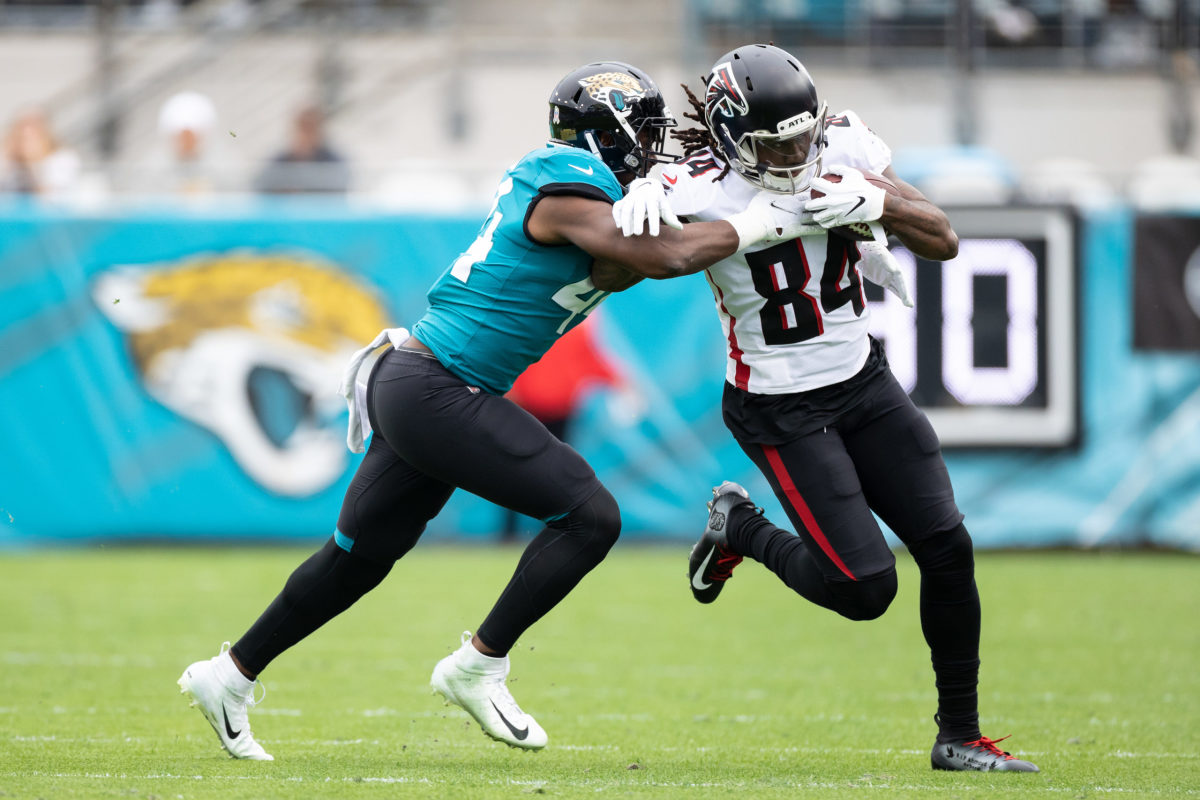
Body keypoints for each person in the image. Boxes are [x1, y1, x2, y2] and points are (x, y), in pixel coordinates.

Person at [176, 60, 815, 760]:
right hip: (439, 388)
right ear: (614, 132)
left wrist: (686, 202)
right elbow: (660, 258)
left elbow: (612, 269)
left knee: (355, 560)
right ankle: (478, 664)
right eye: (648, 131)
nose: (653, 145)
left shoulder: (576, 189)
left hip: (420, 383)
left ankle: (228, 675)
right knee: (591, 516)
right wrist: (763, 218)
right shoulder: (567, 187)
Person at [605, 43, 1040, 773]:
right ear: (730, 137)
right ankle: (739, 526)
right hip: (779, 404)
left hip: (863, 380)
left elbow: (945, 238)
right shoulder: (696, 185)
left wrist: (881, 201)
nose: (797, 155)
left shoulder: (843, 141)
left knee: (948, 547)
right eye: (776, 145)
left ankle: (959, 735)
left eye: (802, 137)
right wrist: (633, 206)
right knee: (865, 590)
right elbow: (619, 270)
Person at [500, 313, 642, 542]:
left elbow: (596, 362)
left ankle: (539, 531)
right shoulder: (537, 324)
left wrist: (623, 385)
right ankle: (511, 533)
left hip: (557, 413)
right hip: (526, 409)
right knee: (522, 471)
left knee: (547, 474)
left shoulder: (573, 330)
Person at [254, 104, 350, 195]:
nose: (306, 135)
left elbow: (340, 189)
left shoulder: (333, 161)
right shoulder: (280, 160)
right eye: (303, 128)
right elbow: (260, 185)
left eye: (310, 128)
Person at [1, 108, 82, 199]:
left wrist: (31, 163)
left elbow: (49, 198)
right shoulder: (12, 162)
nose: (27, 144)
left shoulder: (63, 159)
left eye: (32, 137)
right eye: (23, 137)